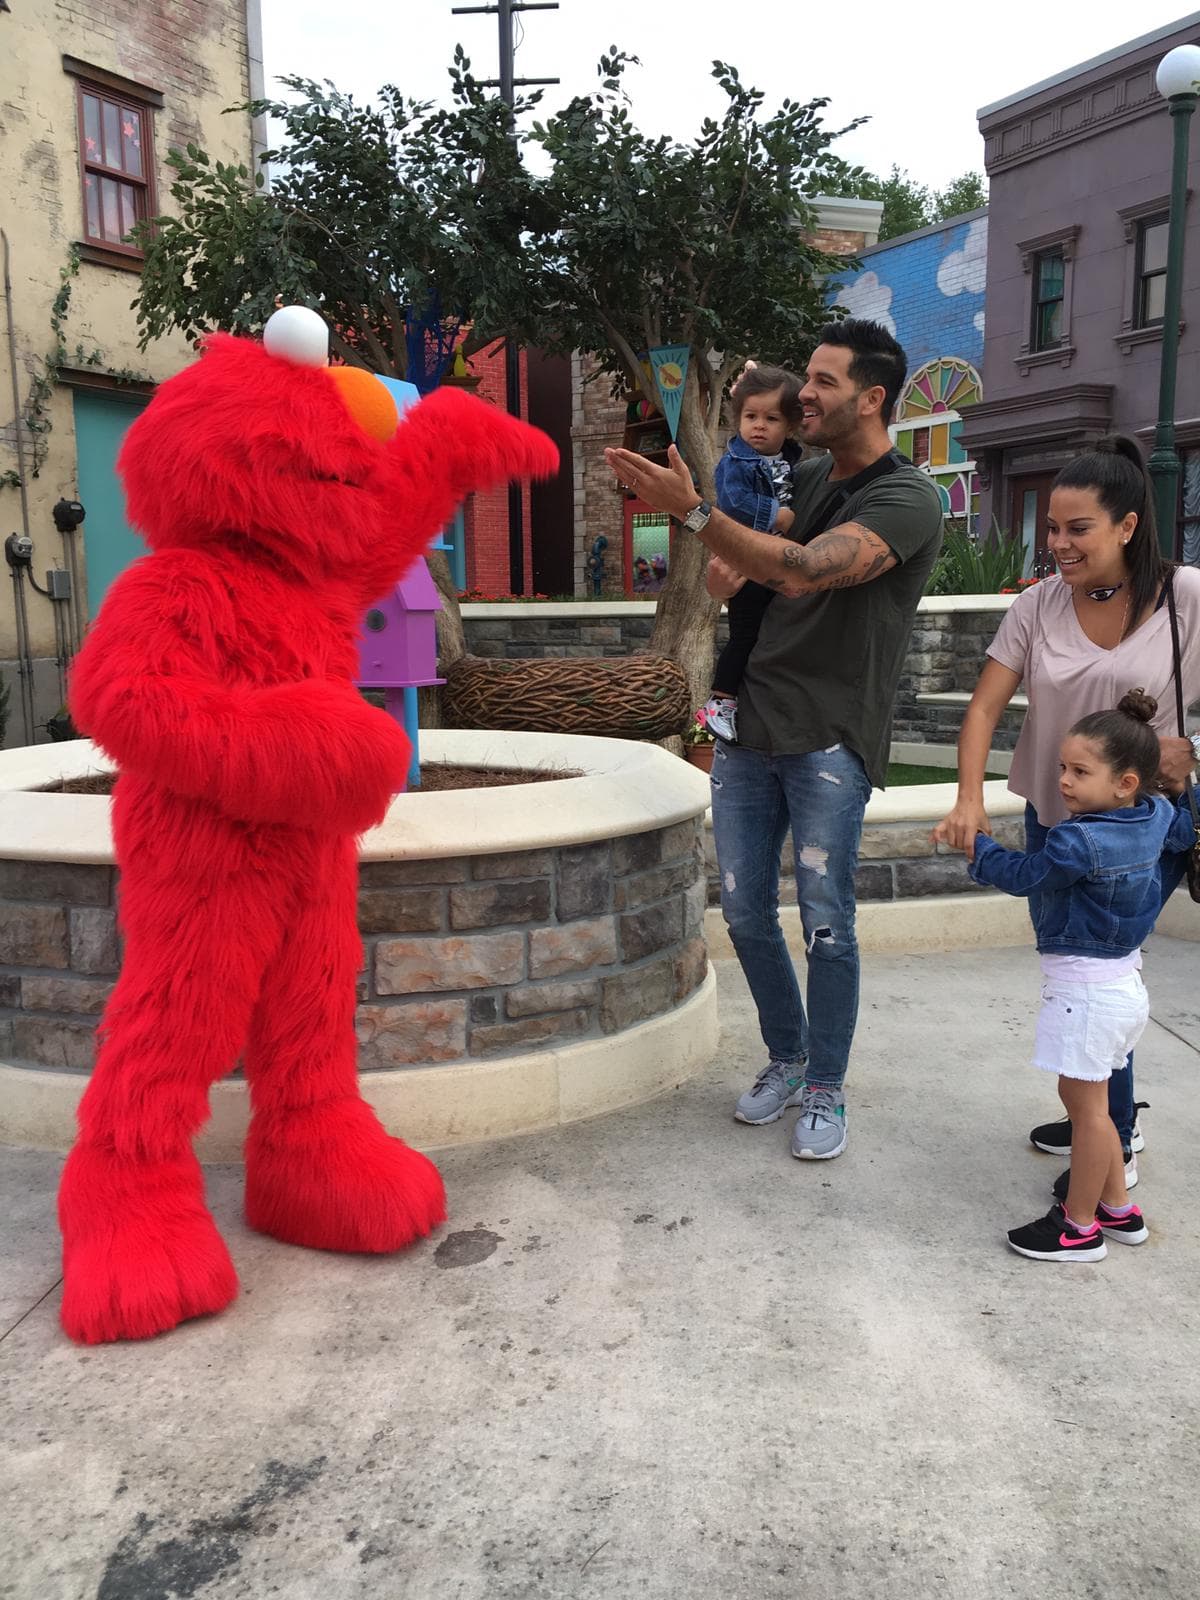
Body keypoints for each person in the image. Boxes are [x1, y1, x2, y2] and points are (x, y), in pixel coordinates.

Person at [605, 319, 944, 1160]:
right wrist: (724, 556)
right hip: (749, 722)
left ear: (872, 398)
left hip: (828, 737)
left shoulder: (906, 498)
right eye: (807, 379)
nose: (805, 394)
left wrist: (691, 513)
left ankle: (826, 1084)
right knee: (748, 912)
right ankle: (788, 1061)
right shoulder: (813, 470)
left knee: (826, 921)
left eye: (824, 382)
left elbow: (804, 566)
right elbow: (759, 562)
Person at [933, 436, 1200, 1192]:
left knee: (1096, 975)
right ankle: (1104, 1120)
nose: (1057, 544)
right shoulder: (1037, 603)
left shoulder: (1187, 597)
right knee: (1083, 974)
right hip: (1055, 818)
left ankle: (1110, 1147)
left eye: (1076, 529)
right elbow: (984, 707)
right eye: (1052, 527)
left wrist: (1193, 747)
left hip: (1141, 833)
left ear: (1126, 525)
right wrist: (969, 796)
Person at [960, 691, 1196, 1260]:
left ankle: (1079, 1227)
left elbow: (1025, 874)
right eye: (1063, 767)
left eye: (1080, 771)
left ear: (1125, 782)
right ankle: (1119, 1208)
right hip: (1122, 986)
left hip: (1085, 991)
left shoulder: (1077, 838)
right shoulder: (1156, 814)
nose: (1064, 781)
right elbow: (1184, 833)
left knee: (1087, 1111)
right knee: (1090, 1102)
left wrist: (976, 847)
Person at [700, 364, 804, 744]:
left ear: (791, 425)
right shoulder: (736, 462)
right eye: (750, 416)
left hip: (773, 563)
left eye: (771, 418)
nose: (759, 425)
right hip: (747, 563)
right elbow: (734, 502)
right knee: (745, 635)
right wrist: (779, 514)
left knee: (767, 635)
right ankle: (720, 702)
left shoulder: (791, 458)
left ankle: (745, 700)